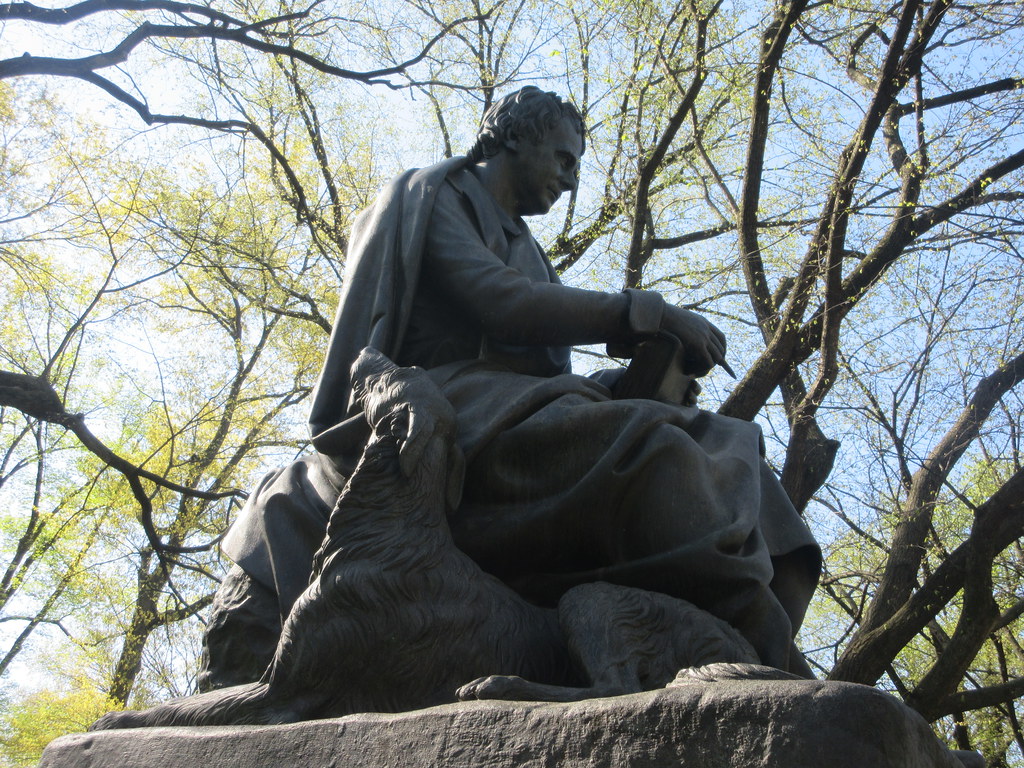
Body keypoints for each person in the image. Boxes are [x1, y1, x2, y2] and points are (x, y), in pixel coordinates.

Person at [202, 86, 821, 690]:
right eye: (563, 158)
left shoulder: (532, 251)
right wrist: (645, 313)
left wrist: (632, 381)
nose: (572, 179)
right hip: (448, 398)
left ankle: (767, 646)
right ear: (514, 137)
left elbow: (548, 380)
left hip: (510, 409)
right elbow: (497, 302)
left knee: (728, 441)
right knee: (654, 446)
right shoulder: (437, 195)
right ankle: (749, 643)